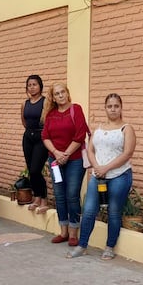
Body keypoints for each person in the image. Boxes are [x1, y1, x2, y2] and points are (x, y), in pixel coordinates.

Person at [68, 93, 135, 260]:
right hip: (98, 176)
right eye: (109, 106)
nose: (113, 109)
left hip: (119, 176)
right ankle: (82, 245)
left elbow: (127, 153)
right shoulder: (98, 129)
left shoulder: (126, 129)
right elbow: (90, 150)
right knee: (89, 210)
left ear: (121, 108)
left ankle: (109, 247)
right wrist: (97, 167)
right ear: (105, 108)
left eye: (116, 106)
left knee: (113, 212)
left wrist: (106, 167)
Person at [42, 82, 89, 246]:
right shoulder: (50, 114)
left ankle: (74, 233)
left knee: (72, 194)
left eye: (63, 92)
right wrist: (56, 153)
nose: (60, 95)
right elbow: (45, 137)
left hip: (74, 160)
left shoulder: (76, 109)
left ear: (67, 93)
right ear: (53, 97)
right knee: (59, 195)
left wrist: (66, 154)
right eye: (57, 94)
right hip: (55, 161)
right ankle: (63, 232)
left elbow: (80, 135)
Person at [21, 75, 50, 214]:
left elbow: (47, 121)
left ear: (40, 86)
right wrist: (30, 132)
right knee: (30, 169)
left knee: (35, 170)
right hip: (28, 137)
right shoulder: (24, 103)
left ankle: (44, 199)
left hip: (41, 137)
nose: (32, 87)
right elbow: (24, 121)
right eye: (29, 85)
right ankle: (36, 197)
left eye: (35, 84)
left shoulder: (45, 102)